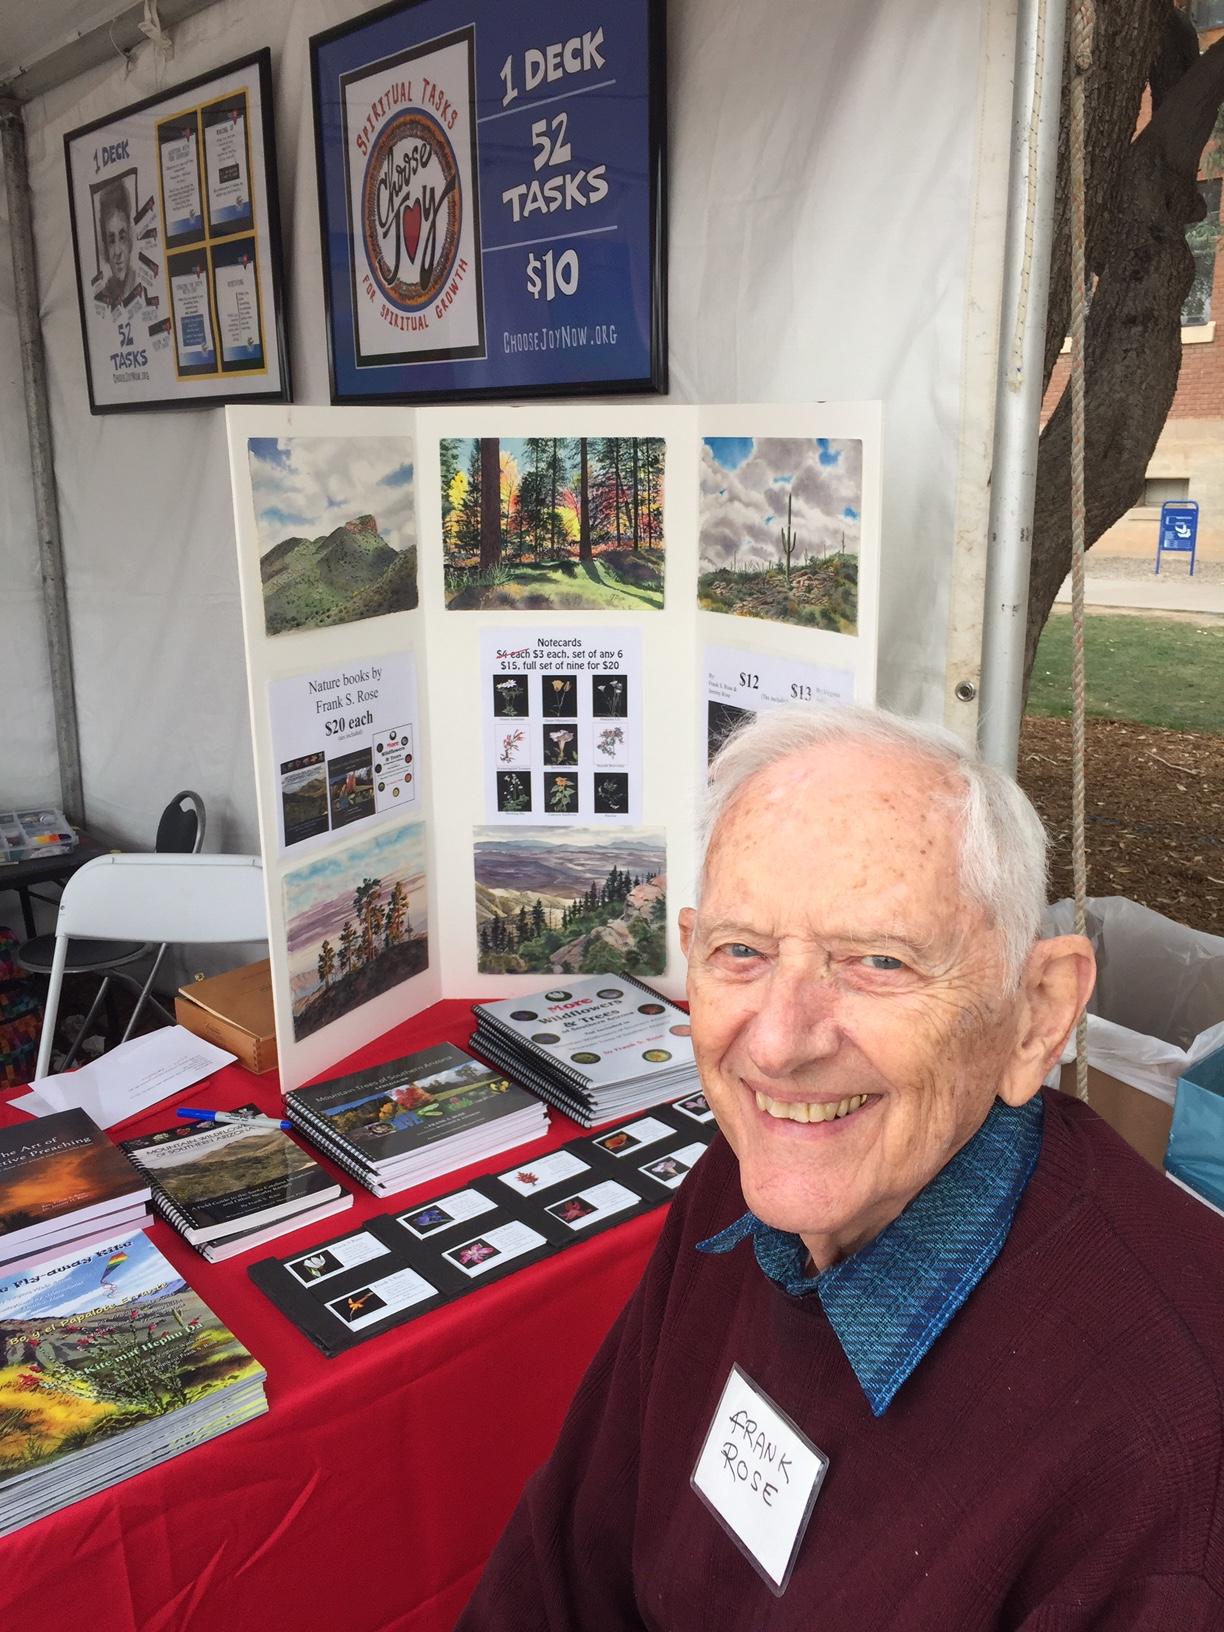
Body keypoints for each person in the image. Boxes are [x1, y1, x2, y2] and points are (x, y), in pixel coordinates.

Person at [458, 704, 1224, 1630]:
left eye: (876, 961)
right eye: (741, 951)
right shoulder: (742, 1179)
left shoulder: (1172, 1453)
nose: (777, 1047)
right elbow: (562, 1567)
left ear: (1037, 1013)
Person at [97, 181, 136, 309]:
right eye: (112, 241)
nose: (118, 251)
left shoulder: (137, 282)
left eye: (122, 237)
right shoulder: (103, 295)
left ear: (130, 237)